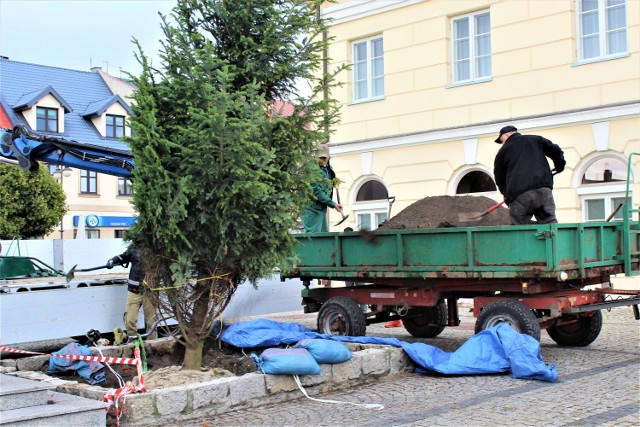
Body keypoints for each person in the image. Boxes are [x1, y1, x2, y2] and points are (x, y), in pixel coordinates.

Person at [493, 125, 566, 225]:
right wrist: (559, 166)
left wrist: (507, 196)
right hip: (543, 192)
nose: (503, 143)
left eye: (502, 140)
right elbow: (556, 151)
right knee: (549, 223)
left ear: (507, 134)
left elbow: (499, 178)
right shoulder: (536, 140)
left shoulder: (502, 152)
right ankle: (553, 240)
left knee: (519, 226)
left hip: (519, 196)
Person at [107, 244, 157, 340]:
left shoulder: (157, 248)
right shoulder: (135, 248)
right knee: (129, 320)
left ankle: (153, 346)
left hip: (150, 292)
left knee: (152, 323)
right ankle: (134, 344)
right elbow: (123, 256)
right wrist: (112, 261)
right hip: (134, 292)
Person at [300, 144, 343, 232]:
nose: (323, 160)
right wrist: (333, 204)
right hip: (311, 209)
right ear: (315, 156)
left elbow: (328, 171)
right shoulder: (312, 170)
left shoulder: (327, 165)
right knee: (314, 238)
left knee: (324, 238)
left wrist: (333, 181)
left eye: (325, 158)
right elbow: (317, 191)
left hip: (321, 209)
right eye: (321, 158)